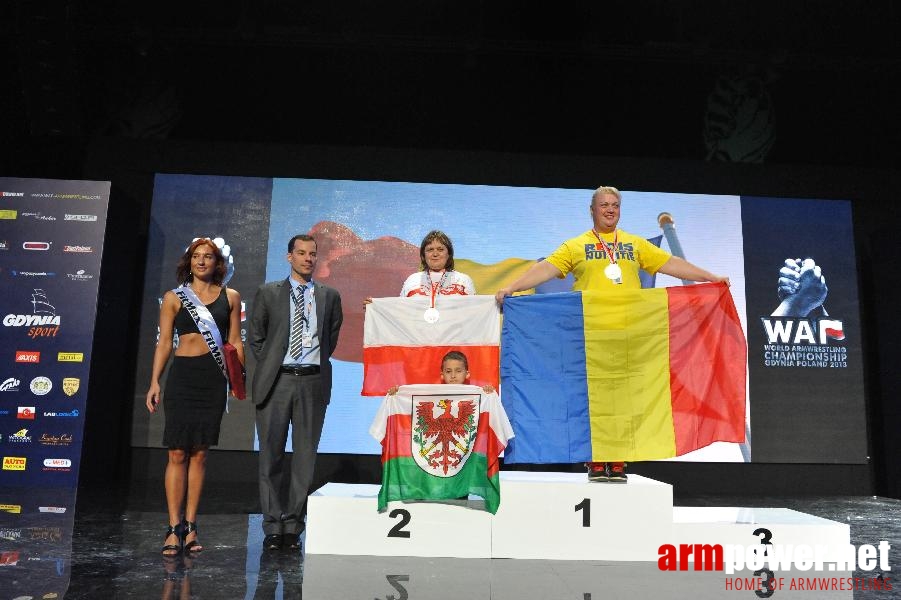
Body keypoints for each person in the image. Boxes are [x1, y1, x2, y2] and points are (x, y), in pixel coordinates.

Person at [495, 185, 729, 483]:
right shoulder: (575, 245)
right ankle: (595, 459)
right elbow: (547, 269)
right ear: (592, 210)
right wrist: (512, 287)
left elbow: (672, 264)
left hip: (629, 336)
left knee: (624, 401)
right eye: (604, 204)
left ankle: (617, 459)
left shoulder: (635, 244)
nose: (609, 209)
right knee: (590, 400)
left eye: (615, 205)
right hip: (588, 338)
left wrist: (710, 277)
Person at [146, 238, 244, 555]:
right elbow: (164, 343)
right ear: (189, 262)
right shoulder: (174, 298)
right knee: (176, 453)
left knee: (200, 454)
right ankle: (173, 528)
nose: (202, 261)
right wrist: (154, 382)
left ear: (218, 263)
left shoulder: (231, 297)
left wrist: (237, 378)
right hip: (182, 378)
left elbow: (234, 342)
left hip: (212, 379)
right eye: (196, 257)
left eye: (208, 257)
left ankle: (190, 527)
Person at [249, 234, 343, 552]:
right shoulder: (268, 292)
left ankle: (294, 523)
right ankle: (273, 524)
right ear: (289, 257)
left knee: (304, 457)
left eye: (312, 254)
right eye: (301, 253)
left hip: (312, 382)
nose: (307, 258)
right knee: (271, 455)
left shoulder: (329, 296)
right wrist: (275, 366)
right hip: (278, 381)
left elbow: (330, 337)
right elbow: (257, 338)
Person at [364, 230, 475, 305]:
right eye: (430, 250)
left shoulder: (463, 280)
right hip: (419, 339)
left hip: (454, 339)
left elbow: (475, 311)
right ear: (423, 255)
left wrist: (492, 304)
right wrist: (377, 308)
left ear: (449, 254)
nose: (435, 254)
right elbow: (400, 312)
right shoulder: (412, 280)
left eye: (440, 249)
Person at [388, 350, 495, 395]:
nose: (453, 375)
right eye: (448, 371)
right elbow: (412, 403)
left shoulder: (477, 394)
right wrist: (398, 394)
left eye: (458, 371)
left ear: (467, 374)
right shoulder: (432, 395)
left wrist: (488, 393)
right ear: (442, 375)